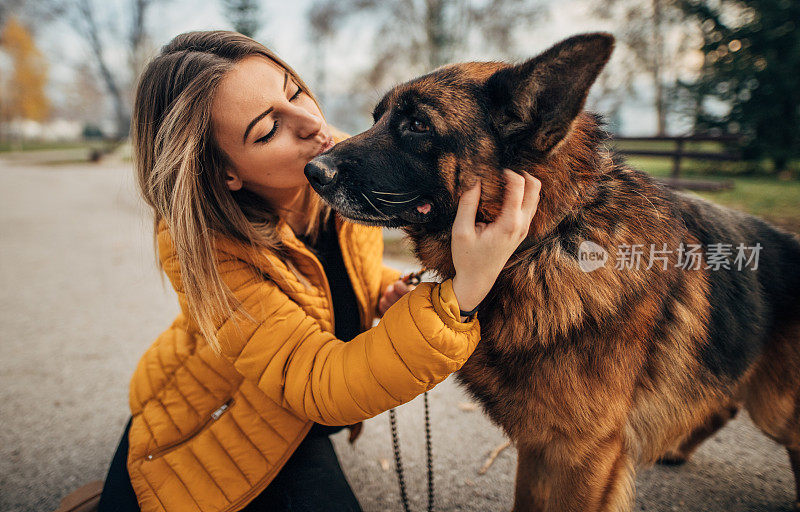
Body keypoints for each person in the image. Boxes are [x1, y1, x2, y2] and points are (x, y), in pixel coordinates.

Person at [96, 30, 541, 512]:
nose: (312, 123)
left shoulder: (343, 166)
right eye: (268, 130)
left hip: (297, 405)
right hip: (226, 414)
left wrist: (384, 291)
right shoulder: (203, 247)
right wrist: (465, 291)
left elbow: (340, 273)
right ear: (224, 173)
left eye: (294, 91)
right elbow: (318, 383)